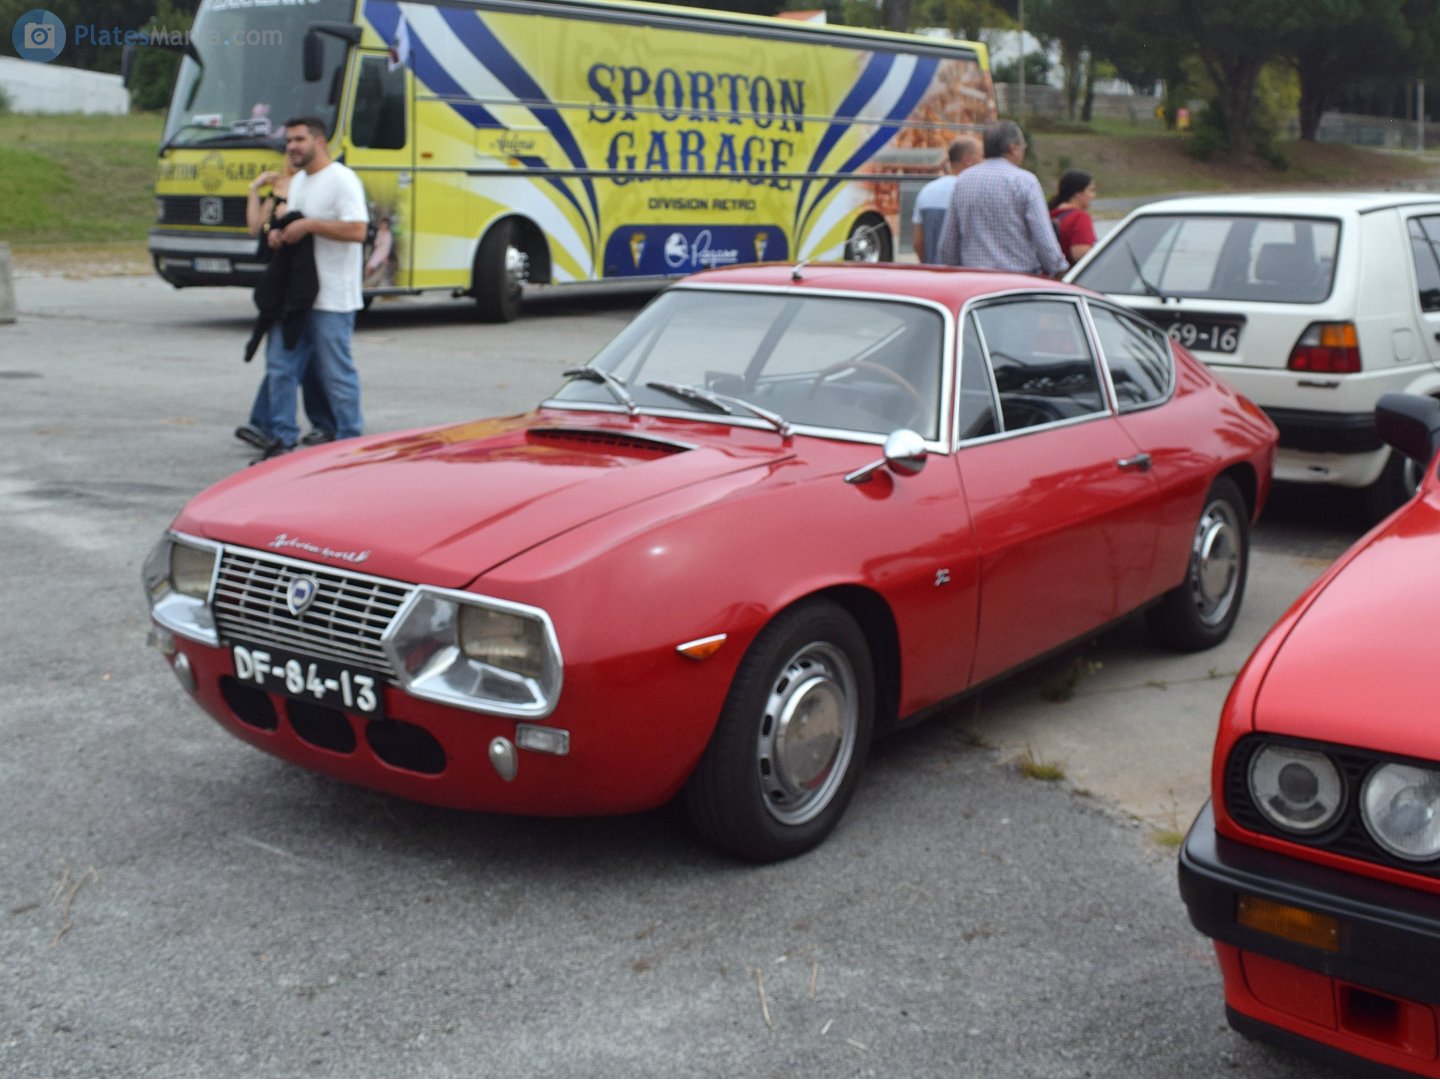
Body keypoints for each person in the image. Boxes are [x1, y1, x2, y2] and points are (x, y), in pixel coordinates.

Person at [256, 115, 369, 460]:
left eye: (299, 139)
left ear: (320, 142)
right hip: (296, 296)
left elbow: (358, 231)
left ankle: (352, 441)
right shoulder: (299, 182)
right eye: (289, 140)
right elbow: (294, 227)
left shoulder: (342, 179)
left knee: (336, 374)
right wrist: (279, 234)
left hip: (333, 297)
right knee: (280, 367)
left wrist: (310, 225)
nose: (292, 147)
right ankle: (283, 439)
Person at [234, 160, 335, 451]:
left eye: (298, 146)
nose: (292, 156)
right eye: (289, 149)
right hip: (279, 278)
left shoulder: (313, 188)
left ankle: (286, 425)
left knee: (293, 361)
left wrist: (289, 217)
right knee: (291, 361)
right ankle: (301, 424)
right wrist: (254, 189)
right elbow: (256, 228)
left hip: (304, 282)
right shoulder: (279, 186)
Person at [932, 120, 1068, 278]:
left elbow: (948, 245)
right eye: (1023, 147)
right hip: (1018, 282)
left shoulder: (963, 180)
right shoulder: (1025, 182)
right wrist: (1058, 268)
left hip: (974, 281)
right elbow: (1045, 241)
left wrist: (954, 274)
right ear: (1013, 148)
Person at [910, 136, 981, 263]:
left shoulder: (926, 191)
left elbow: (918, 242)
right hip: (964, 277)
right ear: (968, 160)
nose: (984, 163)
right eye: (981, 157)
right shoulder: (973, 192)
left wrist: (928, 264)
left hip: (933, 274)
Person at [1048, 169, 1098, 267]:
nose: (1094, 195)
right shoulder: (1079, 217)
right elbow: (1080, 254)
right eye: (1091, 190)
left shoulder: (1050, 214)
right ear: (1077, 193)